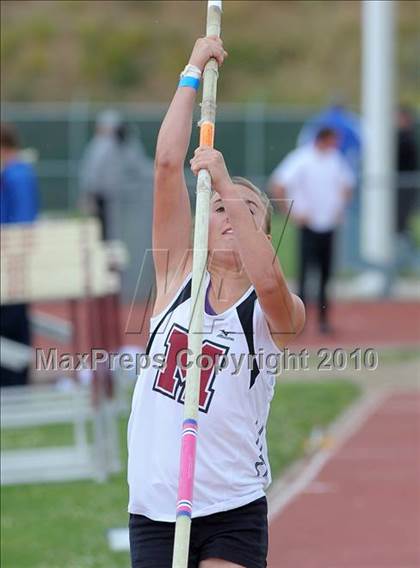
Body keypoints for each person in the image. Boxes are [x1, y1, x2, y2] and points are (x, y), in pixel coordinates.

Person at [127, 37, 305, 568]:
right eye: (222, 207)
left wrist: (226, 180)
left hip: (231, 507)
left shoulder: (272, 314)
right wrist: (191, 70)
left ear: (265, 235)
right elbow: (165, 165)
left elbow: (269, 284)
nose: (231, 213)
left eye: (248, 210)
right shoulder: (176, 276)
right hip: (156, 507)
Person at [269, 128, 355, 334]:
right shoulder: (302, 158)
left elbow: (348, 184)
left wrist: (339, 207)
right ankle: (301, 320)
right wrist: (292, 213)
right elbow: (278, 183)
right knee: (305, 274)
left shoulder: (335, 159)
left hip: (328, 225)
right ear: (324, 139)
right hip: (308, 225)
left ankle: (324, 320)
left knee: (326, 274)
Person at [1, 122, 40, 386]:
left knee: (12, 327)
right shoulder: (12, 174)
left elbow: (22, 224)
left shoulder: (17, 175)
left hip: (11, 265)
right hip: (8, 263)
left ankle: (15, 387)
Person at [79, 109, 152, 241]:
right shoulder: (100, 146)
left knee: (125, 233)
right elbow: (91, 172)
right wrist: (89, 195)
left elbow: (140, 167)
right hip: (104, 196)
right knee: (107, 234)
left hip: (127, 197)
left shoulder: (128, 144)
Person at [396, 106, 419, 269]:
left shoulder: (407, 139)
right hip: (399, 191)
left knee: (401, 228)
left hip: (403, 192)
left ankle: (412, 261)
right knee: (399, 229)